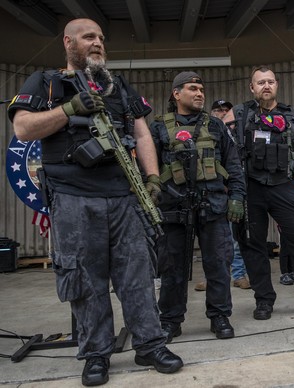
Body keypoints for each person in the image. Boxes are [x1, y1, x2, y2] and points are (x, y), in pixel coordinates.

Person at [9, 18, 183, 386]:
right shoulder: (46, 81)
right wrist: (69, 108)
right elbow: (23, 127)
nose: (98, 43)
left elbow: (141, 132)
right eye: (90, 37)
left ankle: (150, 345)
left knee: (136, 276)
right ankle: (96, 354)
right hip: (73, 198)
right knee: (86, 279)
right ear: (68, 42)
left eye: (101, 38)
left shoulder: (116, 84)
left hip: (123, 195)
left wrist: (152, 178)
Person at [222, 65, 294, 320]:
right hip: (251, 188)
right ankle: (263, 301)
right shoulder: (238, 113)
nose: (266, 86)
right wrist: (231, 185)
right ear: (252, 88)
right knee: (253, 246)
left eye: (270, 81)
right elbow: (218, 144)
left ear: (277, 85)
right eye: (260, 82)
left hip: (285, 185)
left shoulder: (292, 115)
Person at [150, 73, 246, 342]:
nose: (200, 93)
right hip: (173, 208)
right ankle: (170, 319)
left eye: (202, 88)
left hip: (213, 206)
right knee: (172, 268)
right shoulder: (158, 128)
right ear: (176, 94)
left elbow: (234, 165)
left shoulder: (216, 126)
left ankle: (219, 316)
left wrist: (237, 198)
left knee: (218, 264)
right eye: (193, 88)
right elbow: (148, 168)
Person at [210, 99, 251, 290]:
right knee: (213, 240)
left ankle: (238, 273)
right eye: (218, 110)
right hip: (213, 193)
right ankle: (217, 276)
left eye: (226, 110)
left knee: (236, 236)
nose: (222, 113)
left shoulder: (237, 135)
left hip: (236, 191)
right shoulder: (208, 134)